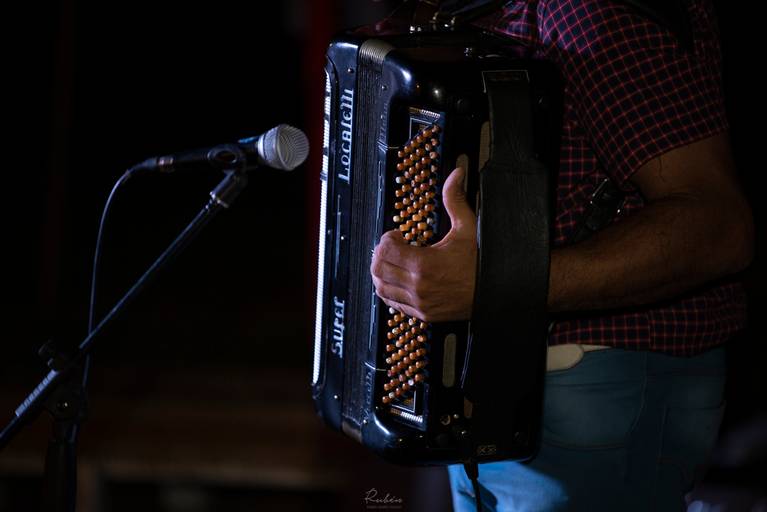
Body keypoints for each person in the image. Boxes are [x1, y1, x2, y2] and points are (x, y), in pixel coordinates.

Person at [369, 0, 754, 510]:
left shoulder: (590, 9)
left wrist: (498, 285)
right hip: (495, 387)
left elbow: (718, 226)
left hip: (597, 382)